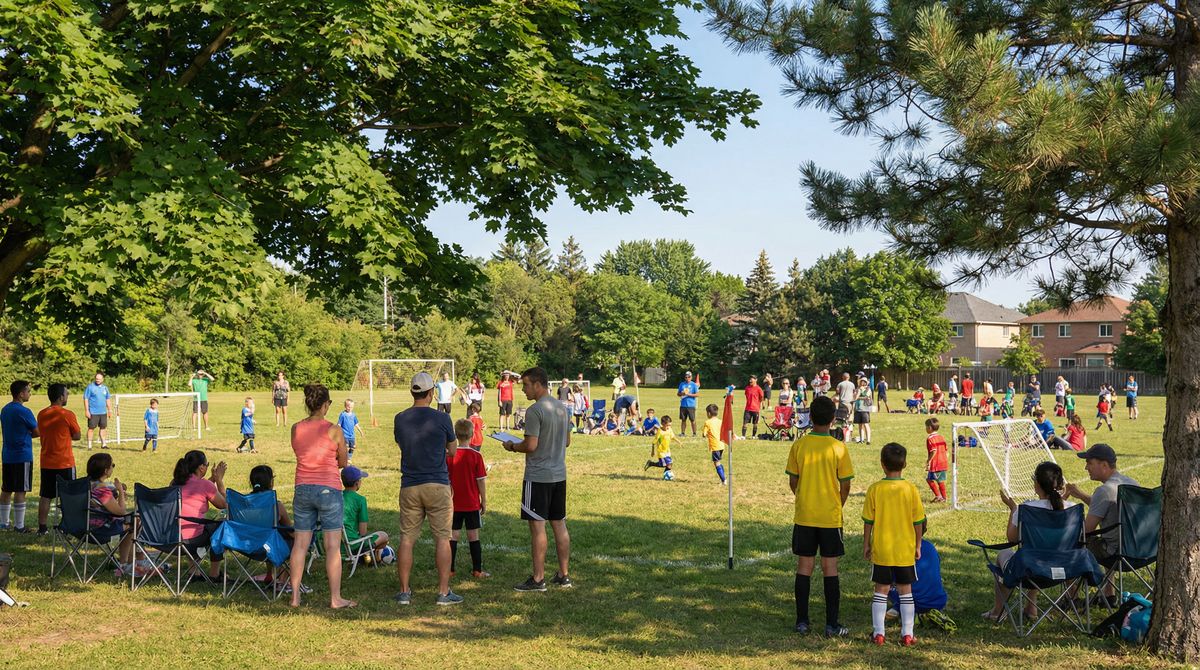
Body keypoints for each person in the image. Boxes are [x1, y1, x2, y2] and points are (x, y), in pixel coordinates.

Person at [785, 395, 854, 637]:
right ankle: (831, 624)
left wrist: (803, 496)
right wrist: (838, 503)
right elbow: (845, 485)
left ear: (810, 418)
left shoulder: (799, 445)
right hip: (829, 517)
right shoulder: (838, 447)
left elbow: (793, 480)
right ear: (834, 419)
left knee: (804, 566)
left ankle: (802, 621)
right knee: (830, 568)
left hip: (805, 514)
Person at [392, 372, 460, 606]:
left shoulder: (400, 418)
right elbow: (453, 450)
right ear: (431, 393)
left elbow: (402, 443)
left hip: (410, 485)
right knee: (443, 538)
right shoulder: (442, 419)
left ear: (412, 392)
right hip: (437, 484)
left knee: (407, 539)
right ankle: (443, 592)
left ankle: (404, 591)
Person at [502, 367, 572, 592]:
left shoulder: (534, 411)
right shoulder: (562, 408)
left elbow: (530, 445)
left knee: (537, 527)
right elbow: (567, 441)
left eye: (526, 385)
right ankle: (564, 574)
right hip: (559, 475)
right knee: (559, 524)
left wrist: (512, 446)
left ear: (538, 384)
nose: (523, 389)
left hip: (538, 477)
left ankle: (538, 578)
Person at [286, 384, 355, 609]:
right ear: (326, 405)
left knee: (300, 544)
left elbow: (300, 452)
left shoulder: (296, 428)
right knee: (332, 546)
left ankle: (295, 596)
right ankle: (335, 598)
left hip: (302, 488)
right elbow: (343, 463)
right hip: (328, 489)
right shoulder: (334, 430)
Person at [983, 461, 1074, 622]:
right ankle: (1031, 607)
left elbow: (1012, 539)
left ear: (1037, 483)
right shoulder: (1073, 508)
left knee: (1006, 554)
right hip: (1065, 569)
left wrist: (1013, 509)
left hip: (1032, 569)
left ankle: (998, 611)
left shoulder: (1026, 508)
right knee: (1036, 553)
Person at [864, 443, 926, 647]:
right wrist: (917, 545)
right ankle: (907, 634)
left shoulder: (875, 489)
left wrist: (867, 543)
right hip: (904, 550)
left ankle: (878, 633)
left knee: (880, 590)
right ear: (905, 464)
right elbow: (918, 522)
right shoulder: (910, 489)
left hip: (882, 548)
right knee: (905, 591)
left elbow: (868, 521)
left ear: (882, 464)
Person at [1064, 443, 1138, 603]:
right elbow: (1109, 508)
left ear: (1104, 465)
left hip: (1115, 553)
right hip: (1139, 550)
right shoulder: (1131, 483)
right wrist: (1081, 495)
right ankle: (1108, 593)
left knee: (1070, 541)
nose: (1086, 468)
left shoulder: (1104, 491)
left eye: (1089, 463)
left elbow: (1086, 530)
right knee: (1109, 535)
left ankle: (1072, 597)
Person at [172, 449, 227, 584]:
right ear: (202, 468)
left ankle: (194, 572)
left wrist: (211, 480)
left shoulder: (175, 482)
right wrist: (219, 481)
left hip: (171, 537)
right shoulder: (205, 485)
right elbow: (224, 504)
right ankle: (215, 574)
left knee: (194, 523)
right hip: (191, 540)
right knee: (221, 525)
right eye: (207, 464)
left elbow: (196, 488)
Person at [83, 452, 139, 576]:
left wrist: (114, 489)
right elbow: (121, 512)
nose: (113, 467)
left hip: (79, 526)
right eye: (112, 465)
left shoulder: (84, 484)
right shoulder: (102, 490)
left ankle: (134, 559)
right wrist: (120, 491)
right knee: (134, 521)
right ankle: (125, 564)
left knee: (131, 521)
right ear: (106, 470)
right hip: (99, 529)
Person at [36, 383, 80, 534]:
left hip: (47, 461)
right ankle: (67, 526)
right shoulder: (67, 414)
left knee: (46, 495)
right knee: (68, 496)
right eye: (66, 394)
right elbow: (77, 435)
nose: (67, 396)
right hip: (64, 462)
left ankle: (42, 527)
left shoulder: (42, 414)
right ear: (61, 397)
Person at [448, 419, 488, 578]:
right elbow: (481, 480)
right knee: (473, 536)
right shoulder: (476, 455)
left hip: (453, 503)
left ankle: (450, 569)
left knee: (453, 535)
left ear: (455, 435)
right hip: (471, 504)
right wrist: (483, 500)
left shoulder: (449, 455)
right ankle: (477, 570)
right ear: (472, 435)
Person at [1, 381, 38, 532]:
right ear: (21, 394)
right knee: (21, 490)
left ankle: (3, 523)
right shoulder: (24, 411)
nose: (29, 393)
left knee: (6, 489)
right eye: (28, 391)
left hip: (8, 455)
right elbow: (37, 432)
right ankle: (19, 525)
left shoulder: (5, 409)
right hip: (22, 455)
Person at [248, 465, 292, 586]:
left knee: (270, 534)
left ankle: (270, 575)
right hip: (268, 547)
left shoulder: (244, 504)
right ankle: (283, 581)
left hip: (246, 546)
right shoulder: (276, 506)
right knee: (293, 541)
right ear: (271, 482)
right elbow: (290, 529)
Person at [341, 465, 391, 565]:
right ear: (356, 483)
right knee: (383, 536)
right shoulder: (360, 500)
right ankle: (371, 559)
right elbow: (363, 532)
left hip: (334, 543)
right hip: (351, 545)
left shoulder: (337, 496)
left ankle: (365, 556)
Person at [643, 416, 681, 480]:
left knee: (668, 464)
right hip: (661, 452)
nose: (669, 427)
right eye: (667, 425)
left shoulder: (669, 429)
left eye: (670, 425)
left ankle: (651, 463)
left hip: (667, 450)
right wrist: (653, 451)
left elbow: (672, 436)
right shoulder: (660, 432)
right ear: (663, 424)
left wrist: (678, 441)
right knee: (668, 464)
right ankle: (666, 477)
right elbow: (654, 442)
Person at [83, 372, 112, 449]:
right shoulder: (90, 387)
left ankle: (104, 444)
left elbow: (108, 399)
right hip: (93, 412)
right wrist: (87, 410)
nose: (97, 380)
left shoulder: (105, 388)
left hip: (103, 412)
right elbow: (86, 399)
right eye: (96, 379)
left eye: (99, 379)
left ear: (102, 379)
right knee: (91, 428)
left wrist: (109, 410)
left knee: (103, 428)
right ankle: (89, 446)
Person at [702, 403, 727, 485]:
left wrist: (705, 434)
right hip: (721, 445)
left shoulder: (707, 422)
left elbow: (704, 434)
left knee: (717, 463)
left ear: (709, 413)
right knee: (718, 461)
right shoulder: (721, 421)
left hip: (715, 445)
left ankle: (723, 480)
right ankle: (723, 479)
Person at [924, 418, 948, 503]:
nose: (925, 428)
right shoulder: (941, 437)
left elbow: (933, 450)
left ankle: (939, 497)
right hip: (943, 462)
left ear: (930, 428)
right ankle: (943, 497)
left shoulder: (930, 438)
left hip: (936, 463)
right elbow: (945, 449)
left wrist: (928, 461)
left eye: (926, 427)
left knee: (929, 479)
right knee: (940, 480)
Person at [676, 371, 700, 437]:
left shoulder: (694, 385)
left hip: (691, 405)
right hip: (683, 405)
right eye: (686, 377)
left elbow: (697, 394)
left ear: (691, 377)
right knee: (683, 420)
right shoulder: (682, 384)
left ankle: (694, 433)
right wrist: (682, 393)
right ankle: (683, 433)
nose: (687, 378)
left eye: (689, 377)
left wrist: (689, 394)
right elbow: (678, 394)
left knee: (692, 420)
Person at [853, 377, 872, 445]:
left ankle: (868, 440)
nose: (862, 382)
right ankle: (861, 439)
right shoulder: (858, 389)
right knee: (860, 425)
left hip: (865, 409)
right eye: (861, 381)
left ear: (866, 382)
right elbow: (854, 397)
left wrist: (858, 397)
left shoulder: (868, 389)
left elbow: (866, 397)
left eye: (864, 381)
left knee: (866, 424)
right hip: (858, 409)